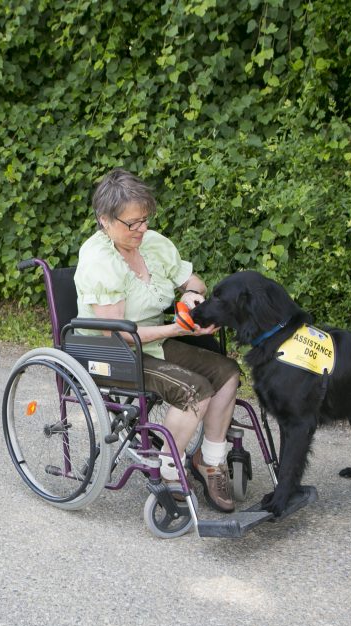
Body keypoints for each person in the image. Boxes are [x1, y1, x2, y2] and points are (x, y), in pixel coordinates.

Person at [74, 168, 240, 512]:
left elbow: (194, 281)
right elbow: (118, 334)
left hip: (151, 341)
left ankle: (209, 461)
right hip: (112, 351)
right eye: (131, 223)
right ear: (105, 220)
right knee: (194, 391)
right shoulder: (99, 260)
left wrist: (191, 299)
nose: (141, 230)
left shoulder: (153, 244)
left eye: (144, 220)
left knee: (227, 372)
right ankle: (169, 469)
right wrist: (176, 329)